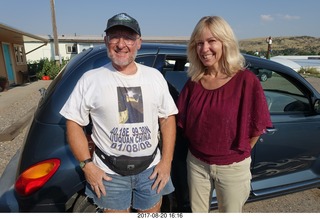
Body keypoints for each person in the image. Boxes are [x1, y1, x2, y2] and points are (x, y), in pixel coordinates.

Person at [60, 13, 178, 213]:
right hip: (108, 173)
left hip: (150, 169)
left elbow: (167, 119)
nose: (121, 44)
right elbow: (73, 122)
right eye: (115, 36)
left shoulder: (154, 77)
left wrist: (166, 162)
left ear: (139, 43)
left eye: (129, 37)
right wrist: (87, 165)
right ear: (106, 41)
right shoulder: (90, 79)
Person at [176, 16, 272, 213]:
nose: (204, 49)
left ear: (225, 43)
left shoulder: (246, 81)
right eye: (199, 43)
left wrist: (232, 156)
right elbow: (183, 121)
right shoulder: (194, 82)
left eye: (211, 41)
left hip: (232, 167)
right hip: (196, 164)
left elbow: (257, 126)